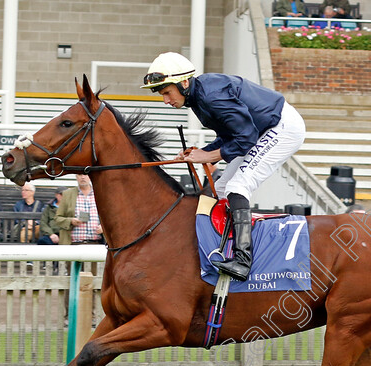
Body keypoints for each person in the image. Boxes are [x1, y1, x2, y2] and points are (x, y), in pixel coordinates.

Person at [141, 52, 306, 281]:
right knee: (220, 189)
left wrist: (208, 155)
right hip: (259, 130)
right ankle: (221, 247)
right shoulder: (198, 98)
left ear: (184, 82)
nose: (166, 100)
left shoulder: (211, 97)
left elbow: (246, 138)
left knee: (238, 186)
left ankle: (242, 261)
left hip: (281, 127)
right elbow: (231, 136)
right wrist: (204, 153)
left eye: (167, 92)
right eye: (162, 95)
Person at [54, 174, 103, 246]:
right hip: (73, 244)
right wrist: (70, 221)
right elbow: (57, 218)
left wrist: (103, 228)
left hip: (97, 243)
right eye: (80, 174)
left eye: (85, 174)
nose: (83, 177)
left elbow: (112, 218)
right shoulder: (67, 194)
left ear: (90, 176)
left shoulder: (100, 193)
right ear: (76, 177)